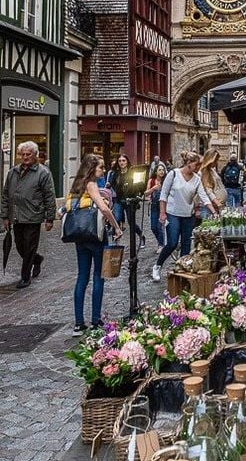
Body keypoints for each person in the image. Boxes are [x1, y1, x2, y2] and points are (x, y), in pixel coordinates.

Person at [66, 154, 122, 333]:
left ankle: (78, 322)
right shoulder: (91, 184)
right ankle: (96, 319)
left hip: (80, 236)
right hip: (95, 235)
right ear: (92, 169)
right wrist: (116, 227)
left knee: (82, 276)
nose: (103, 171)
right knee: (99, 275)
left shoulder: (76, 184)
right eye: (101, 167)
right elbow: (104, 208)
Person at [151, 151, 217, 282]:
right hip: (172, 213)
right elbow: (163, 195)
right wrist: (162, 213)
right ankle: (157, 266)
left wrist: (213, 211)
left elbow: (204, 196)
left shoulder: (197, 179)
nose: (198, 168)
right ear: (188, 163)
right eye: (196, 165)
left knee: (186, 245)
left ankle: (182, 271)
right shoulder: (173, 174)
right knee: (172, 243)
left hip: (188, 215)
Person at [1, 141, 56, 288]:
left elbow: (49, 196)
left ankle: (25, 277)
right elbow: (6, 195)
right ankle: (37, 260)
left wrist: (50, 218)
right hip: (16, 216)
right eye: (22, 154)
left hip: (33, 216)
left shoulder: (43, 173)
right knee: (20, 246)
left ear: (35, 155)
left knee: (29, 246)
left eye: (28, 154)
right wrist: (5, 216)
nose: (25, 157)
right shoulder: (13, 172)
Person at [108, 154, 146, 246]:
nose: (121, 163)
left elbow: (139, 186)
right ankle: (115, 241)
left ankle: (141, 235)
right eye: (120, 161)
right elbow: (112, 183)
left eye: (123, 160)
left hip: (130, 200)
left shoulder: (132, 172)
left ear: (127, 161)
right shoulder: (116, 173)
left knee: (131, 222)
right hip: (119, 199)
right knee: (116, 219)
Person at [145, 162, 167, 251]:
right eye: (160, 170)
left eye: (163, 170)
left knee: (160, 227)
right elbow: (146, 193)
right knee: (153, 227)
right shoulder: (151, 180)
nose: (162, 172)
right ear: (156, 171)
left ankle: (161, 245)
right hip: (154, 205)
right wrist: (153, 188)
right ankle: (161, 242)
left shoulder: (166, 181)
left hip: (164, 206)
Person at [200, 149, 227, 219]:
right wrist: (218, 203)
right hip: (211, 207)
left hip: (218, 205)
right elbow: (208, 190)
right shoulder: (204, 172)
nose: (216, 162)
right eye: (216, 160)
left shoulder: (212, 170)